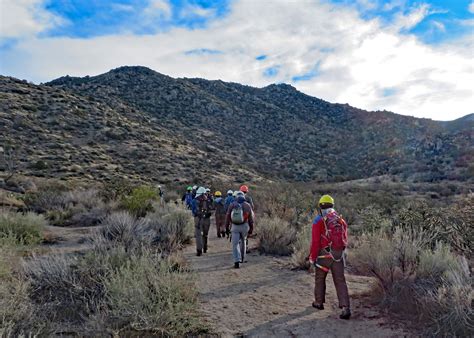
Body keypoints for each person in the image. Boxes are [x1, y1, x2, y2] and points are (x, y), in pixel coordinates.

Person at [309, 195, 351, 319]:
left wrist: (312, 257)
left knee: (320, 278)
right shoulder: (340, 220)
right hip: (338, 253)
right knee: (340, 280)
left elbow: (316, 241)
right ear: (332, 205)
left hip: (325, 254)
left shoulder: (318, 220)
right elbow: (345, 238)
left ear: (321, 206)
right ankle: (345, 307)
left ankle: (318, 302)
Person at [225, 191, 254, 269]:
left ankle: (236, 261)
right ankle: (242, 258)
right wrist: (251, 228)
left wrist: (227, 228)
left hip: (234, 226)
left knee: (235, 244)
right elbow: (251, 219)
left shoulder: (232, 205)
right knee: (243, 241)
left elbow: (227, 217)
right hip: (244, 226)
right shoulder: (247, 205)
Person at [191, 187, 213, 256]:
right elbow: (211, 209)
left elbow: (193, 211)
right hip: (207, 219)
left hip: (198, 218)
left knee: (198, 235)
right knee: (205, 234)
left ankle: (199, 250)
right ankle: (205, 248)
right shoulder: (208, 200)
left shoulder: (194, 200)